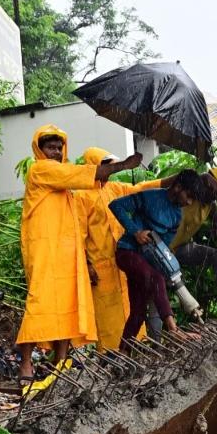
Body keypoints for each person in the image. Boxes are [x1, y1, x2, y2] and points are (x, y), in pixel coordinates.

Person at [16, 125, 141, 385]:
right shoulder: (40, 170)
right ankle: (26, 363)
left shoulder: (63, 180)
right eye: (50, 147)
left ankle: (60, 364)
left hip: (65, 254)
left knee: (67, 305)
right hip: (43, 251)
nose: (56, 152)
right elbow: (80, 174)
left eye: (59, 147)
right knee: (38, 303)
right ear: (40, 150)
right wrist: (122, 166)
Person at [74, 147, 164, 352]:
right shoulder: (81, 196)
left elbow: (142, 188)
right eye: (107, 165)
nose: (111, 170)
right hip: (100, 267)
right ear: (94, 167)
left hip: (123, 263)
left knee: (131, 308)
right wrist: (87, 264)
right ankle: (111, 358)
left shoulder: (115, 189)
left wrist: (170, 182)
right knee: (107, 319)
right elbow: (78, 234)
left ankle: (135, 351)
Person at [108, 171, 203, 348]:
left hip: (145, 263)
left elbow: (162, 249)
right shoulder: (150, 196)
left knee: (138, 312)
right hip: (127, 253)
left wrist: (166, 269)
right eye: (188, 196)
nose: (188, 202)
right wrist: (135, 231)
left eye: (192, 200)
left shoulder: (177, 216)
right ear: (178, 187)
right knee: (155, 278)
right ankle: (173, 330)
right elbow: (116, 205)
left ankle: (123, 352)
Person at [147, 167, 217, 333]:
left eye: (214, 194)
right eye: (213, 190)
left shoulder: (211, 207)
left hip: (180, 249)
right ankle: (155, 340)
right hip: (157, 248)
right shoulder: (190, 190)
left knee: (216, 256)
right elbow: (206, 176)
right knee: (157, 293)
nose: (210, 194)